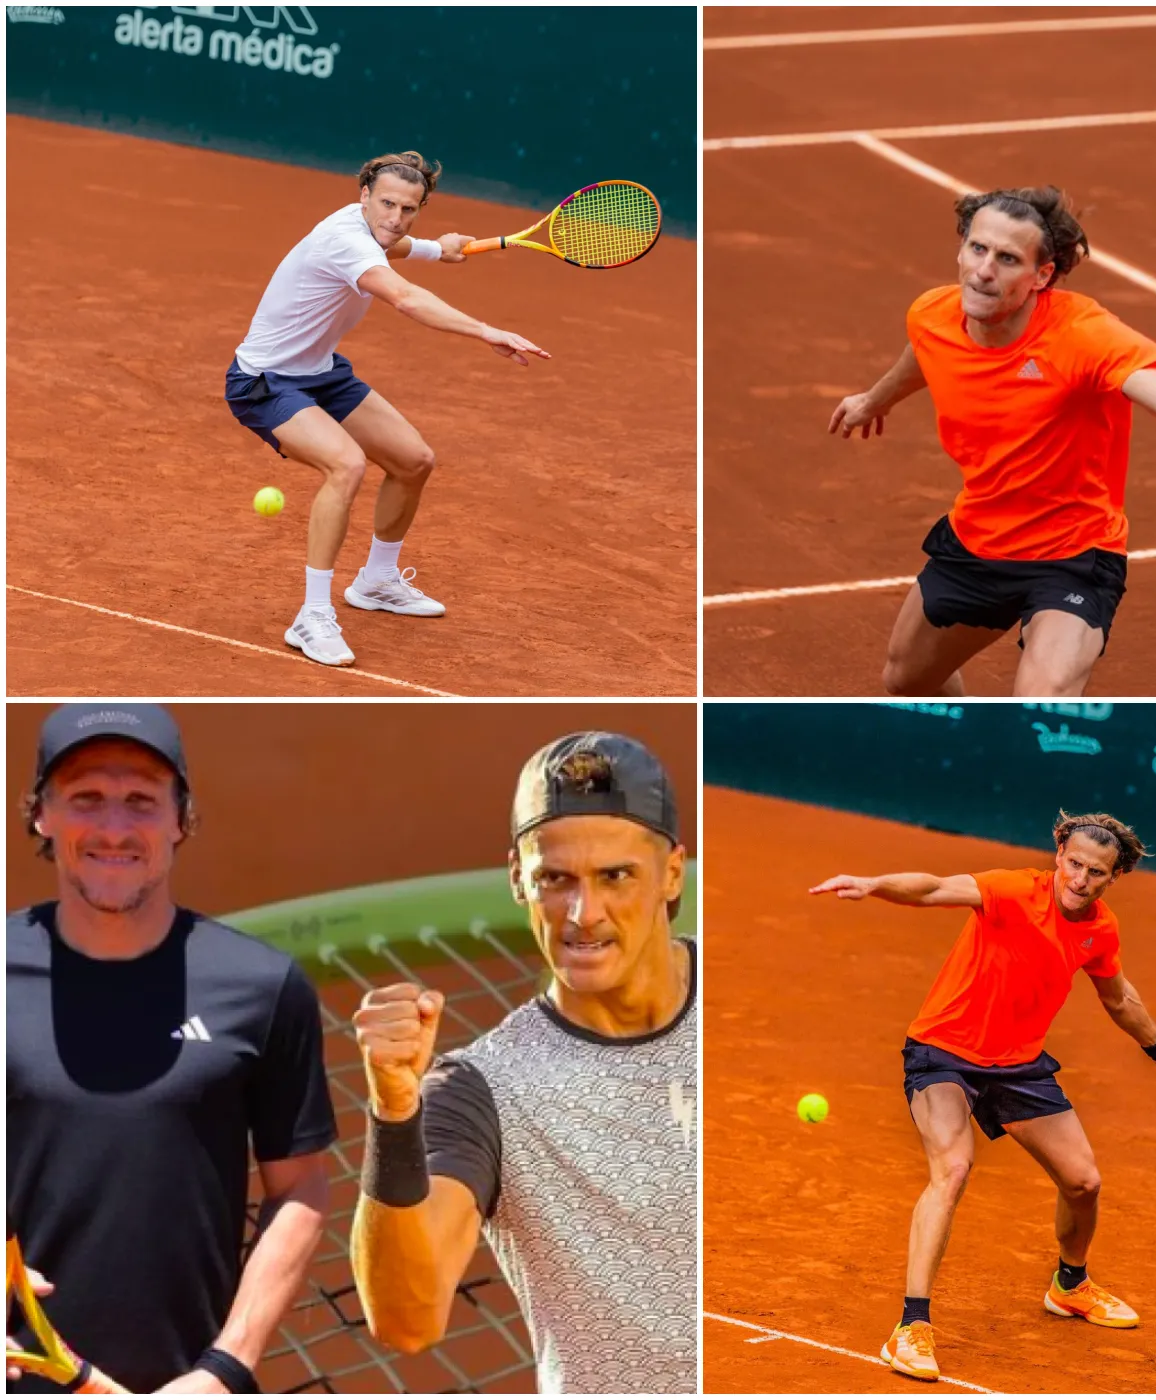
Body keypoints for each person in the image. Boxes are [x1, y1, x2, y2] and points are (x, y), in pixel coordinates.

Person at [828, 186, 1156, 698]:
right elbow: (926, 350)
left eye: (1008, 259)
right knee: (905, 680)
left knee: (1041, 704)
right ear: (961, 249)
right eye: (978, 249)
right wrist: (875, 399)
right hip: (978, 541)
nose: (985, 270)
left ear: (1042, 275)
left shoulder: (1083, 335)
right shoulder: (933, 314)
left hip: (1071, 555)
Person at [351, 732, 697, 1395]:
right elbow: (406, 1319)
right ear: (517, 878)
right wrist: (395, 1111)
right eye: (554, 879)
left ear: (672, 871)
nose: (583, 914)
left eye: (615, 876)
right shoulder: (483, 1091)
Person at [6, 704, 335, 1394]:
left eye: (141, 802)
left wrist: (225, 1369)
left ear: (182, 818)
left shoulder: (263, 987)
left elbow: (300, 1187)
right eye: (87, 798)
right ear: (41, 814)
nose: (115, 828)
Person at [811, 810, 1156, 1382]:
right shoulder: (1012, 890)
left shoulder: (1100, 929)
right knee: (954, 1167)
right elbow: (937, 888)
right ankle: (912, 1326)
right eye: (1075, 864)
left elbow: (1118, 998)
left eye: (1096, 873)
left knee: (1083, 1181)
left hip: (1017, 1066)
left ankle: (1070, 1285)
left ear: (1114, 878)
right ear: (1058, 852)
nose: (1080, 880)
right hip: (942, 1051)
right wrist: (873, 885)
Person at [225, 150, 550, 668]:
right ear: (363, 198)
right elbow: (405, 298)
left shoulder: (370, 231)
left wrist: (434, 250)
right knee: (346, 464)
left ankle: (377, 580)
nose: (395, 218)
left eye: (409, 210)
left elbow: (391, 246)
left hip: (321, 372)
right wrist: (486, 330)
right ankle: (311, 615)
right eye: (386, 205)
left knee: (413, 460)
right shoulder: (341, 238)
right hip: (263, 382)